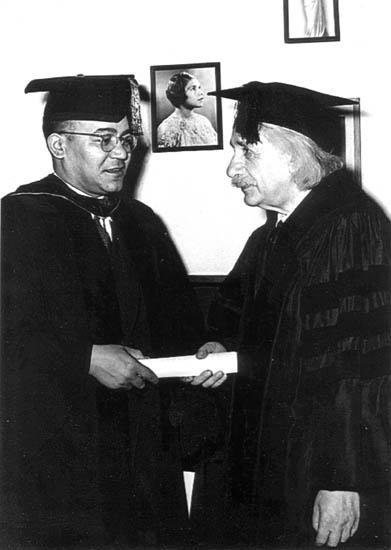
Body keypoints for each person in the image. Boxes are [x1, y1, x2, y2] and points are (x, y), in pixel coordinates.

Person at [0, 74, 219, 549]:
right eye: (103, 139)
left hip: (143, 447)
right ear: (58, 144)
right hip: (61, 453)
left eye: (125, 138)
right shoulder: (17, 219)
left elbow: (180, 324)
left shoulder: (141, 223)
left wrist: (203, 352)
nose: (120, 152)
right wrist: (83, 357)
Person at [196, 81, 391, 548]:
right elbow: (236, 313)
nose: (231, 168)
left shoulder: (351, 225)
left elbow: (358, 365)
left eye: (246, 151)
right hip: (273, 459)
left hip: (319, 471)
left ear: (295, 155)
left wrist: (344, 479)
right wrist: (221, 346)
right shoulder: (275, 234)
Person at [157, 72, 218, 148]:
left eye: (199, 88)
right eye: (193, 89)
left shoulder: (204, 122)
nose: (201, 93)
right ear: (180, 93)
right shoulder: (166, 128)